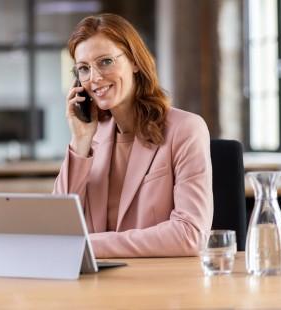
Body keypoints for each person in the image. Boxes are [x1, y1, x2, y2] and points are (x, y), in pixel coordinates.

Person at [53, 13, 213, 258]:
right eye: (83, 68)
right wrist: (80, 140)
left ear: (135, 62)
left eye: (105, 62)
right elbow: (58, 227)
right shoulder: (92, 139)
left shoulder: (185, 129)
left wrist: (90, 245)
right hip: (95, 286)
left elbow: (191, 234)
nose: (94, 78)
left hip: (159, 286)